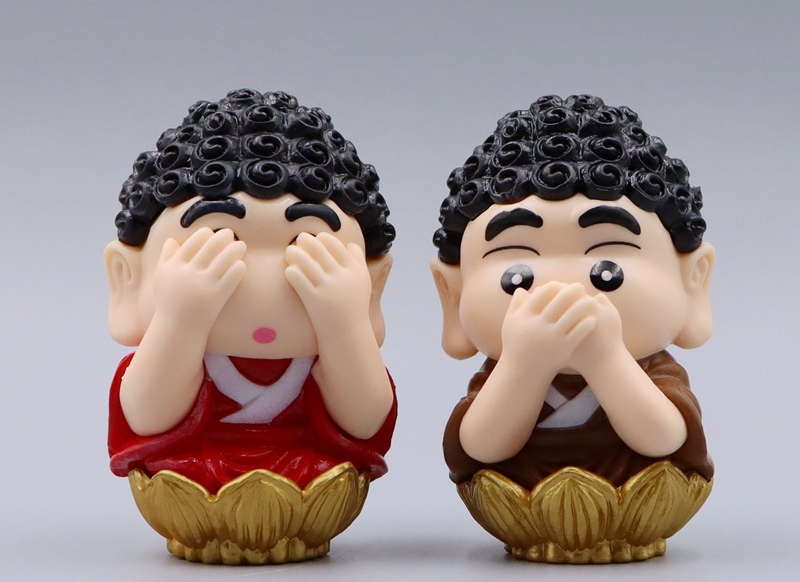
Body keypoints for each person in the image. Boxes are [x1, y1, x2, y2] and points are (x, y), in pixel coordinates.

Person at [105, 89, 396, 495]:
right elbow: (146, 419)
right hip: (193, 473)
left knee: (331, 474)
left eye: (306, 244)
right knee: (175, 475)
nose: (264, 277)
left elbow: (364, 424)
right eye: (218, 240)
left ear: (371, 283)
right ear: (127, 277)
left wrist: (345, 324)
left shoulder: (329, 354)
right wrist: (180, 319)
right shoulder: (175, 346)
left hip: (309, 473)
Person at [430, 94, 715, 491]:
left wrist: (606, 359)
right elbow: (478, 450)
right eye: (518, 276)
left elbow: (666, 440)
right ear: (454, 293)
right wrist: (524, 365)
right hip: (518, 501)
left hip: (637, 496)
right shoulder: (500, 373)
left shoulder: (653, 371)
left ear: (692, 281)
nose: (563, 289)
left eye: (607, 272)